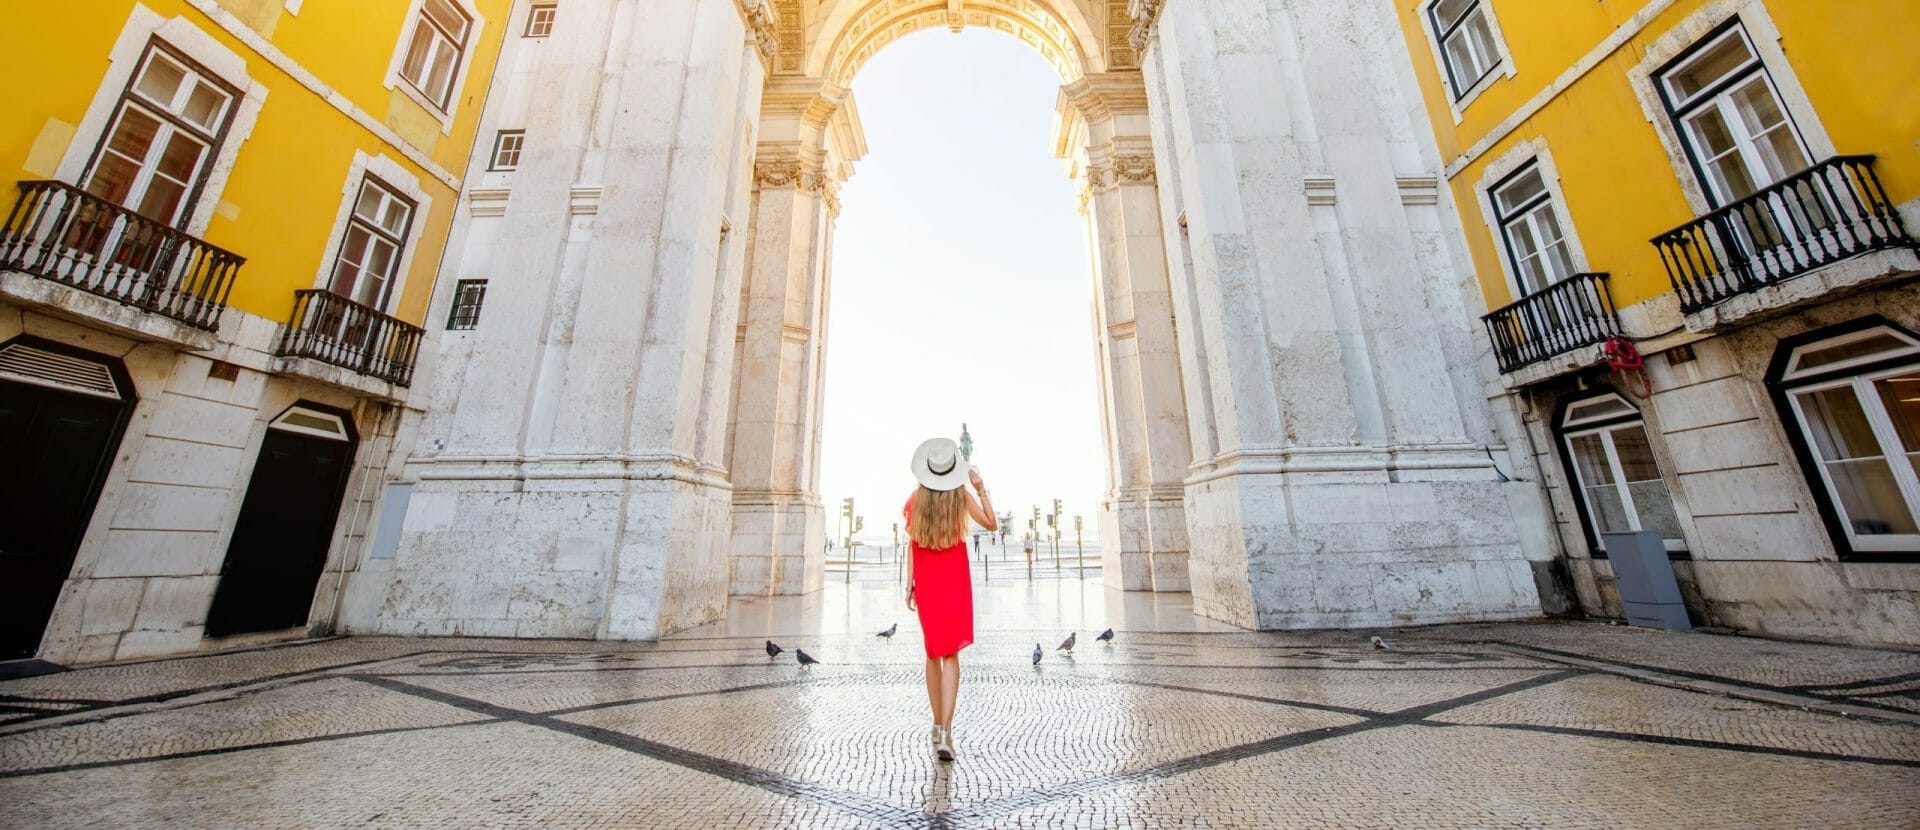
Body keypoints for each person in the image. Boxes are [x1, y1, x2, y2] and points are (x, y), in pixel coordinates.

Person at [903, 436, 995, 761]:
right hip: (954, 577)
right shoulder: (960, 495)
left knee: (932, 653)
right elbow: (991, 523)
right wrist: (981, 487)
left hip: (927, 580)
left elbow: (912, 544)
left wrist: (909, 584)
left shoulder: (916, 499)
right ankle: (946, 732)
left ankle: (936, 723)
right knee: (951, 655)